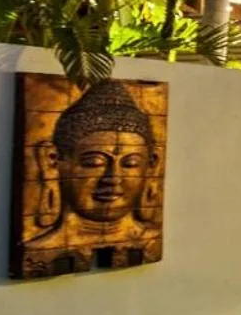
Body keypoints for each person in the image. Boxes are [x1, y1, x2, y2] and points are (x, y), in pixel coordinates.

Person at [19, 79, 163, 276]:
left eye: (130, 164)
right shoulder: (38, 252)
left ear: (152, 164)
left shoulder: (150, 242)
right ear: (52, 161)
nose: (113, 178)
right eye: (95, 163)